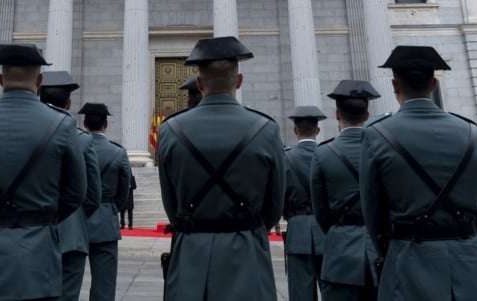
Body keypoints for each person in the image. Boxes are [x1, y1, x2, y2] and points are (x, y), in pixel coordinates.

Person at [361, 45, 477, 301]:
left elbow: (373, 211)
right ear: (434, 84)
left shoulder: (377, 135)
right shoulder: (473, 133)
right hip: (470, 262)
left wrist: (391, 247)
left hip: (408, 262)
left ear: (394, 86)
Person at [0, 43, 86, 301]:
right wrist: (42, 217)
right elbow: (76, 192)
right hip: (35, 255)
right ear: (39, 81)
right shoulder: (61, 124)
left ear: (0, 80)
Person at [157, 36, 285, 301]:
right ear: (239, 81)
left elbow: (171, 205)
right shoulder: (266, 130)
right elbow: (274, 208)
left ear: (199, 83)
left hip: (190, 258)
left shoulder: (170, 131)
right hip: (247, 257)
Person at [311, 82, 380, 301]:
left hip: (340, 249)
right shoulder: (384, 148)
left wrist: (338, 230)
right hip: (380, 250)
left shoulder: (322, 154)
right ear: (367, 115)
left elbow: (320, 211)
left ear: (337, 114)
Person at [39, 71, 101, 301]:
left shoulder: (23, 133)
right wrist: (74, 217)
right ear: (69, 103)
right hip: (71, 233)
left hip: (28, 233)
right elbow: (91, 195)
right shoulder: (82, 140)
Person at [78, 102, 130, 301]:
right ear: (106, 124)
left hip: (76, 219)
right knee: (105, 284)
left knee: (68, 280)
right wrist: (111, 208)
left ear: (84, 123)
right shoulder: (118, 152)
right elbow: (123, 191)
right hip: (106, 220)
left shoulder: (75, 147)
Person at [282, 104, 327, 301]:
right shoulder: (330, 154)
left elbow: (280, 198)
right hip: (326, 231)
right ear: (318, 130)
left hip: (297, 230)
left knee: (300, 294)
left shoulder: (285, 158)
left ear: (295, 130)